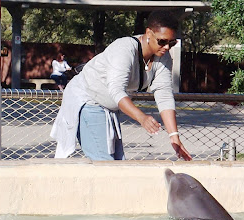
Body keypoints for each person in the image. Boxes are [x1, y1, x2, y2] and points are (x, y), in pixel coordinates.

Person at [51, 11, 191, 161]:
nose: (167, 47)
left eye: (172, 43)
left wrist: (173, 136)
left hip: (109, 107)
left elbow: (163, 93)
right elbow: (116, 90)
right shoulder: (124, 49)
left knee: (118, 163)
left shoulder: (163, 57)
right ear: (149, 33)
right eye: (162, 41)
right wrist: (141, 118)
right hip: (88, 100)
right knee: (104, 163)